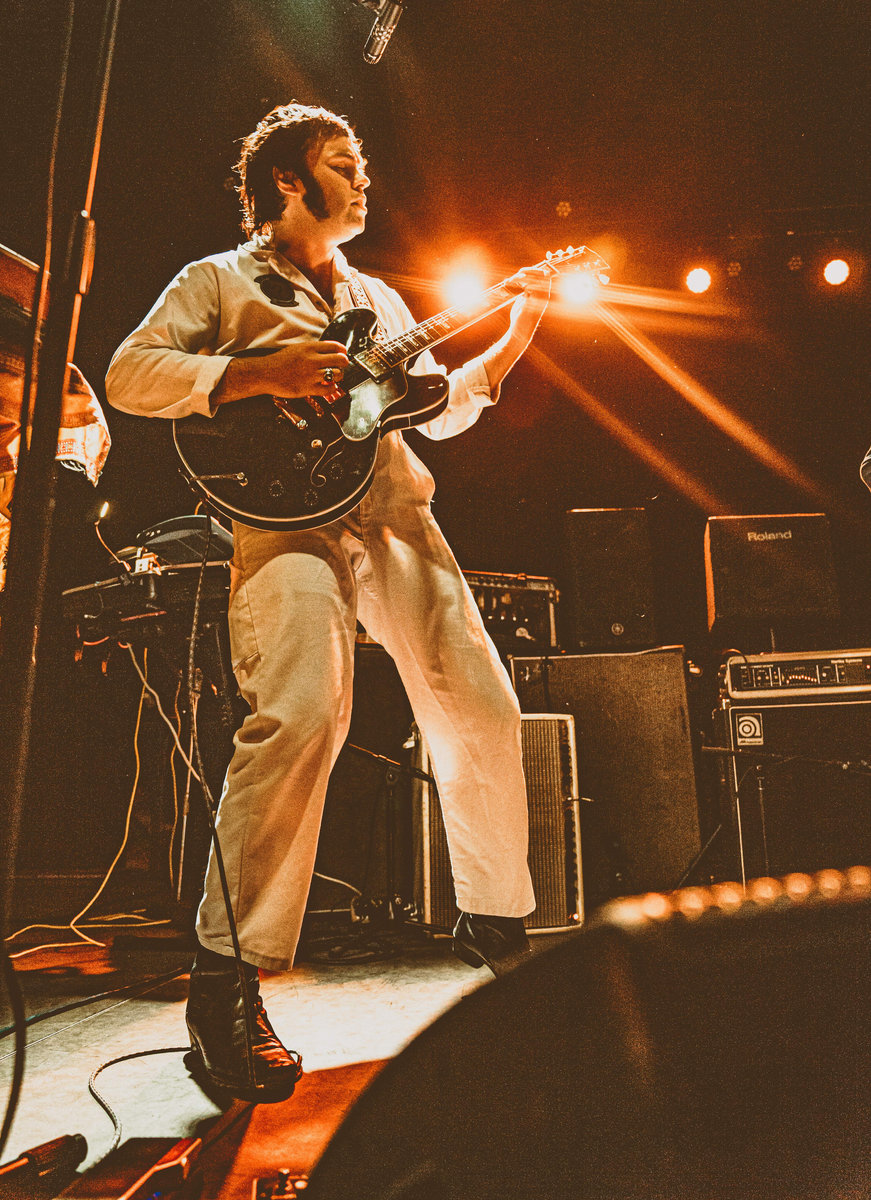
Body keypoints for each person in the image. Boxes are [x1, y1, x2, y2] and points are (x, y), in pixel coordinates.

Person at [105, 103, 551, 1103]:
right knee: (302, 714)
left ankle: (496, 930)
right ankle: (223, 989)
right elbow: (131, 375)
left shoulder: (378, 298)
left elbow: (437, 411)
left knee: (482, 708)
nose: (362, 177)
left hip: (395, 515)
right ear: (287, 181)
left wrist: (517, 329)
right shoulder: (215, 281)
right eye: (342, 163)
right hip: (283, 525)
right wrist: (252, 372)